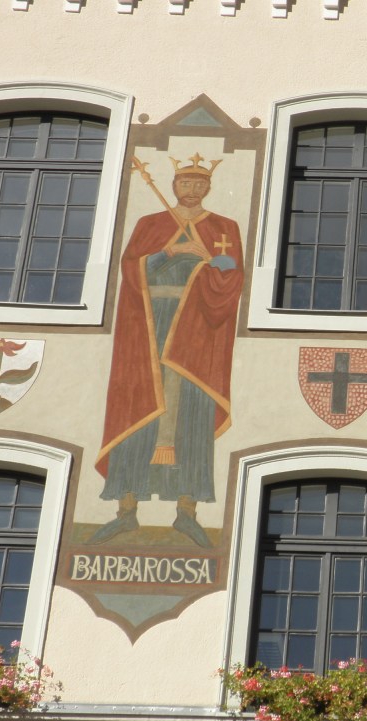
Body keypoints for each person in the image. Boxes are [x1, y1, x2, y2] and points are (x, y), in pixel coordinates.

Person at [91, 154, 244, 547]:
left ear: (208, 187)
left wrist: (207, 259)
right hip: (147, 326)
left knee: (192, 412)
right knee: (137, 403)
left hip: (196, 331)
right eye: (184, 183)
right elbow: (130, 270)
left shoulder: (223, 227)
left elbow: (231, 276)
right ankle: (126, 510)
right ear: (174, 185)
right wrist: (170, 253)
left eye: (199, 184)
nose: (191, 190)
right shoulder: (151, 224)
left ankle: (187, 511)